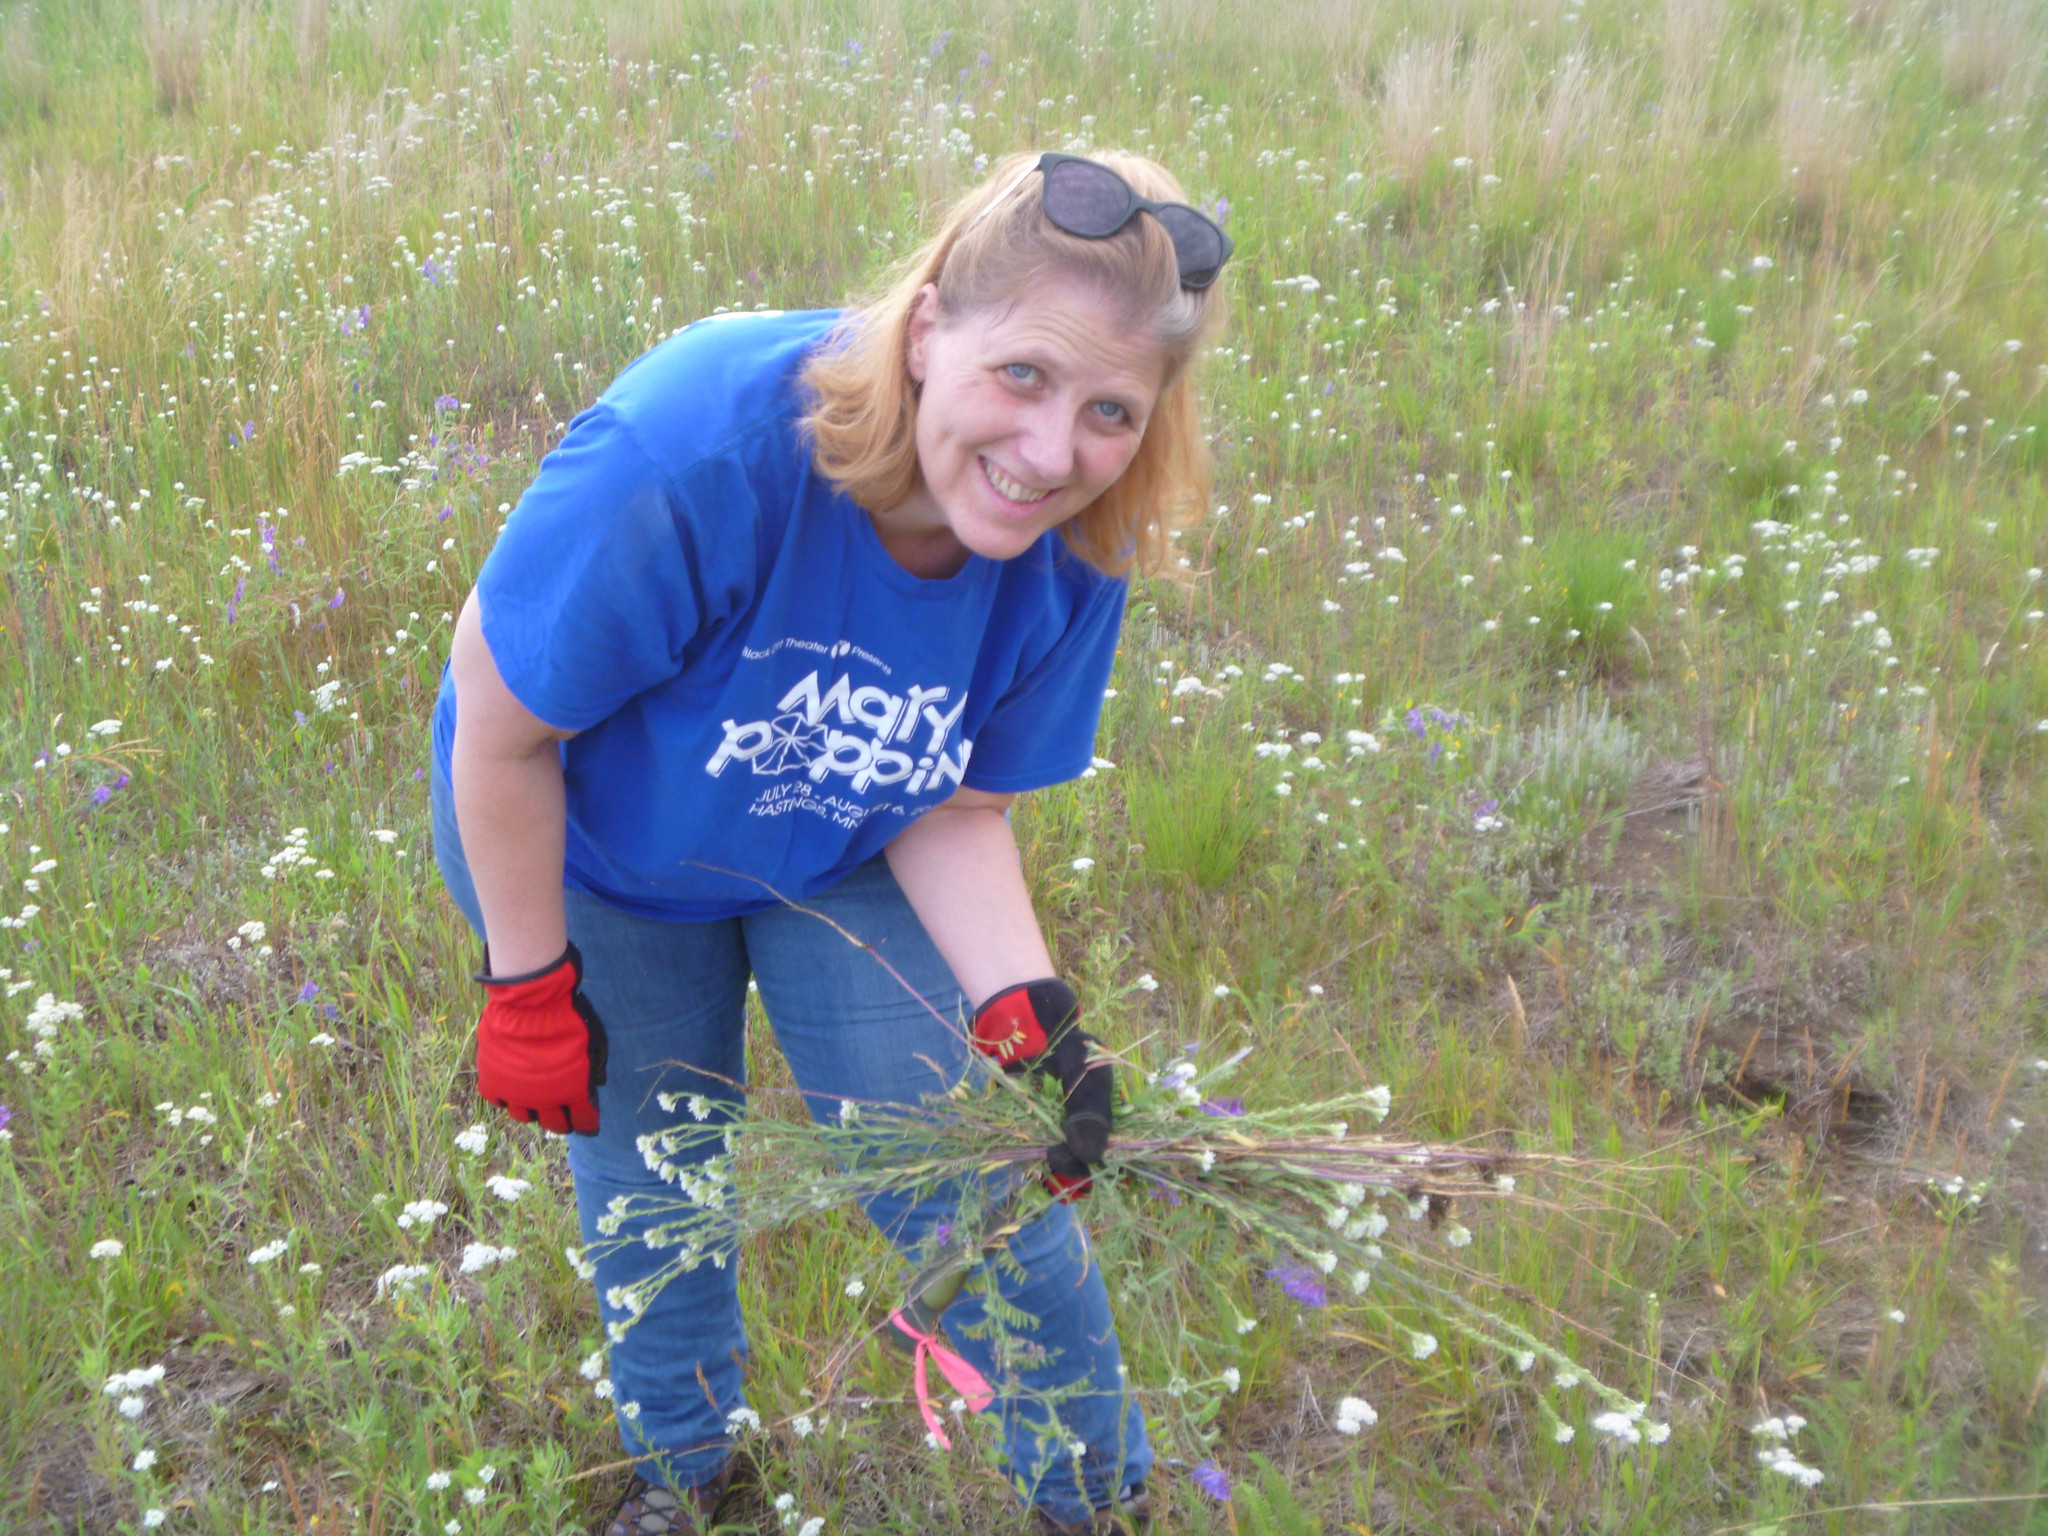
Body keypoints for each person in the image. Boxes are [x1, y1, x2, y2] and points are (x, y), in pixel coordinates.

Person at [429, 148, 1230, 1535]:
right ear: (928, 330)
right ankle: (689, 1483)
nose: (1053, 452)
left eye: (1111, 408)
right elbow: (499, 735)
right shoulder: (699, 447)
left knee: (975, 1183)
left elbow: (948, 790)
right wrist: (525, 980)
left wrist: (1026, 1009)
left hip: (840, 835)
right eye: (1023, 377)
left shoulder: (1080, 540)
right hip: (596, 854)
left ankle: (1095, 1501)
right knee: (660, 1184)